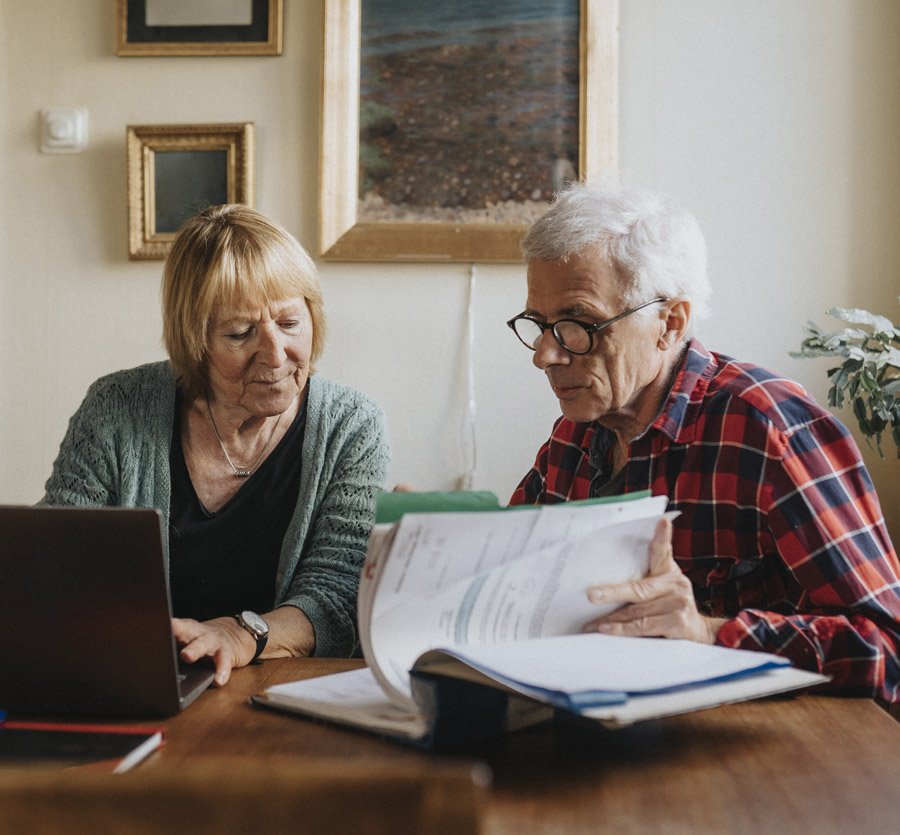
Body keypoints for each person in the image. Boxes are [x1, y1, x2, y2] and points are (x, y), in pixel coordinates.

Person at [507, 182, 900, 702]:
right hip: (612, 728)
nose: (546, 356)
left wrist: (707, 633)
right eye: (539, 324)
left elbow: (888, 649)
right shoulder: (575, 434)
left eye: (577, 325)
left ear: (670, 323)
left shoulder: (769, 429)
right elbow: (511, 582)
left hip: (764, 755)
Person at [41, 204, 390, 685]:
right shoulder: (116, 408)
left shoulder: (351, 425)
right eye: (239, 333)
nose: (274, 352)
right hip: (141, 680)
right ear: (193, 340)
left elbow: (336, 594)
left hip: (289, 688)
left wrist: (241, 635)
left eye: (290, 323)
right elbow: (54, 563)